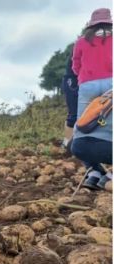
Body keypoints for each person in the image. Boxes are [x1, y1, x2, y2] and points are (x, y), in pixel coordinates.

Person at [71, 7, 112, 190]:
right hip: (111, 83)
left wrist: (85, 77)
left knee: (83, 128)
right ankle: (109, 175)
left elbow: (75, 65)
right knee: (109, 126)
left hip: (87, 84)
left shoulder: (81, 41)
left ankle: (94, 172)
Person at [61, 52, 79, 151]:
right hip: (72, 80)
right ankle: (67, 144)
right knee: (73, 115)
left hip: (87, 81)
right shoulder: (82, 43)